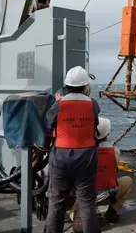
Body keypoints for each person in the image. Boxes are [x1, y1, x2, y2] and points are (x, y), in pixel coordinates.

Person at [44, 66, 100, 233]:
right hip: (86, 157)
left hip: (61, 156)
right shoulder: (93, 104)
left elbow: (49, 123)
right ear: (85, 87)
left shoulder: (58, 105)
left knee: (57, 202)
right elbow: (95, 122)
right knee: (87, 202)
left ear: (66, 86)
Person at [71, 117, 133, 231]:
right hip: (108, 193)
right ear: (107, 133)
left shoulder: (81, 151)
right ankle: (110, 214)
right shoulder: (115, 151)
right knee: (127, 181)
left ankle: (91, 215)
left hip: (85, 194)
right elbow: (112, 167)